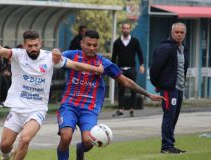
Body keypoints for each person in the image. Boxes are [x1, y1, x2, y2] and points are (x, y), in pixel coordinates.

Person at [0, 30, 104, 160]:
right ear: (24, 45)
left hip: (37, 108)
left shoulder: (50, 57)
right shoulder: (17, 55)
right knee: (4, 145)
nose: (33, 48)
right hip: (18, 107)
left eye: (36, 45)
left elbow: (75, 65)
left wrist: (96, 69)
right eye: (30, 46)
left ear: (40, 43)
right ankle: (7, 154)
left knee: (25, 139)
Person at [56, 30, 165, 160]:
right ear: (81, 43)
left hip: (89, 108)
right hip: (69, 104)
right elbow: (54, 58)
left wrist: (149, 94)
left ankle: (80, 149)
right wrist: (56, 51)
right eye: (88, 44)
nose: (92, 48)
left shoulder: (104, 63)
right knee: (66, 136)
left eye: (95, 45)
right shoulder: (71, 55)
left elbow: (126, 82)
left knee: (88, 142)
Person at [150, 22, 188, 154]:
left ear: (185, 34)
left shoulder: (182, 48)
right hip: (168, 88)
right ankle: (166, 146)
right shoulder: (165, 48)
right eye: (176, 32)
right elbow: (155, 69)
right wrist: (158, 85)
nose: (179, 34)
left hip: (179, 88)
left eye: (181, 32)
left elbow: (183, 68)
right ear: (172, 33)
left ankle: (169, 144)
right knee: (169, 116)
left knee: (174, 117)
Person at [111, 23, 145, 117]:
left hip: (132, 68)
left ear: (130, 30)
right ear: (122, 29)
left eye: (127, 28)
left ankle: (132, 109)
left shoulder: (135, 41)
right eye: (124, 28)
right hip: (120, 69)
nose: (126, 30)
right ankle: (121, 109)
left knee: (133, 88)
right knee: (121, 89)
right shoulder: (117, 42)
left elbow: (140, 53)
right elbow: (114, 57)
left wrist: (142, 65)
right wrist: (112, 69)